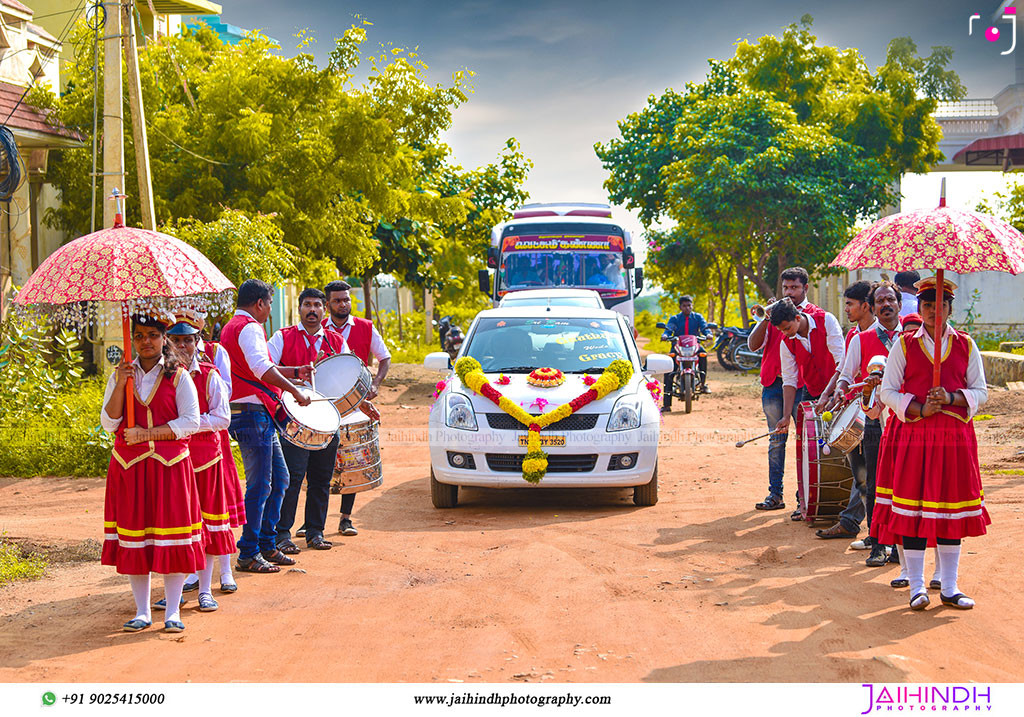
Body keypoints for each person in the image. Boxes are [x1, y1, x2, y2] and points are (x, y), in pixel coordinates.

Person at [871, 277, 989, 610]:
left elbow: (981, 391)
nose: (934, 313)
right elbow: (888, 391)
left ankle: (949, 587)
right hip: (916, 437)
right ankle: (917, 587)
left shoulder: (966, 345)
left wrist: (952, 396)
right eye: (927, 306)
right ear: (920, 309)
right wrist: (920, 407)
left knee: (950, 510)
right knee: (914, 509)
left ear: (950, 309)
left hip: (954, 439)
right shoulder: (905, 345)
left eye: (941, 306)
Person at [100, 313, 202, 633]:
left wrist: (148, 434)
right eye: (140, 335)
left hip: (170, 468)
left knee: (171, 540)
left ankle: (173, 611)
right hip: (130, 467)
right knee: (136, 539)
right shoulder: (121, 376)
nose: (146, 341)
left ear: (164, 338)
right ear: (131, 339)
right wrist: (120, 381)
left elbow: (191, 422)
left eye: (153, 335)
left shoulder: (178, 376)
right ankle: (142, 611)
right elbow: (110, 421)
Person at [222, 279, 313, 574]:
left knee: (279, 479)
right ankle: (249, 551)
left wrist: (294, 375)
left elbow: (255, 368)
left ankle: (265, 543)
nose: (269, 309)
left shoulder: (231, 326)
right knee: (261, 484)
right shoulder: (249, 328)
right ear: (259, 303)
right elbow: (261, 368)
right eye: (269, 303)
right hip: (253, 413)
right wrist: (296, 390)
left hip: (250, 410)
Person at [815, 282, 902, 566]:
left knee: (901, 484)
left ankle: (898, 546)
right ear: (872, 307)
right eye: (880, 301)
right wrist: (840, 388)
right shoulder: (860, 340)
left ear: (899, 304)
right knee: (870, 483)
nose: (886, 304)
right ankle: (877, 544)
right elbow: (846, 374)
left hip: (903, 419)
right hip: (869, 419)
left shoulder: (911, 338)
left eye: (891, 299)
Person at [269, 288, 347, 553]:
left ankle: (315, 531)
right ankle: (282, 534)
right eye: (307, 305)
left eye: (316, 305)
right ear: (299, 309)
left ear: (324, 309)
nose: (312, 310)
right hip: (294, 421)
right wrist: (292, 381)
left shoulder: (337, 342)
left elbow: (346, 377)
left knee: (321, 479)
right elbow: (264, 369)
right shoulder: (281, 337)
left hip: (327, 421)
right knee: (291, 478)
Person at [166, 311, 234, 612]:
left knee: (208, 523)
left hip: (205, 458)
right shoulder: (162, 375)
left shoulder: (209, 375)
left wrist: (190, 423)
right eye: (176, 340)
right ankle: (176, 591)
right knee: (177, 526)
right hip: (171, 459)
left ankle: (206, 590)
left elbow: (222, 417)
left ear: (198, 342)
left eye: (187, 340)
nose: (182, 346)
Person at [748, 267, 821, 515]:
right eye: (786, 288)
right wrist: (767, 317)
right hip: (772, 384)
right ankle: (775, 494)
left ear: (805, 289)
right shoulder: (773, 313)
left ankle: (804, 498)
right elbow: (753, 345)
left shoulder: (813, 315)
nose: (789, 292)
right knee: (776, 440)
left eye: (794, 288)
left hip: (801, 386)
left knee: (804, 443)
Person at [324, 280, 391, 536]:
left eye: (347, 299)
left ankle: (345, 518)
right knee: (320, 462)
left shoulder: (365, 327)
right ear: (328, 304)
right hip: (325, 404)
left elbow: (385, 358)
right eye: (338, 300)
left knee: (351, 459)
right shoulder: (318, 329)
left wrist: (375, 384)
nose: (343, 304)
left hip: (356, 403)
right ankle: (311, 522)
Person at [817, 280, 874, 409]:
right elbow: (842, 370)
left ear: (865, 306)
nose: (846, 309)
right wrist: (826, 394)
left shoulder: (883, 334)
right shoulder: (852, 334)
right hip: (852, 404)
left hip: (875, 405)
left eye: (850, 304)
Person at [661, 295, 712, 409]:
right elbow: (669, 329)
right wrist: (665, 335)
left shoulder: (697, 317)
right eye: (684, 306)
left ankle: (703, 384)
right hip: (678, 347)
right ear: (680, 307)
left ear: (692, 306)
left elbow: (704, 327)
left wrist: (708, 334)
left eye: (689, 305)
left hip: (695, 346)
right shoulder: (675, 319)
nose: (687, 308)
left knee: (703, 355)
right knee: (669, 369)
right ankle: (666, 404)